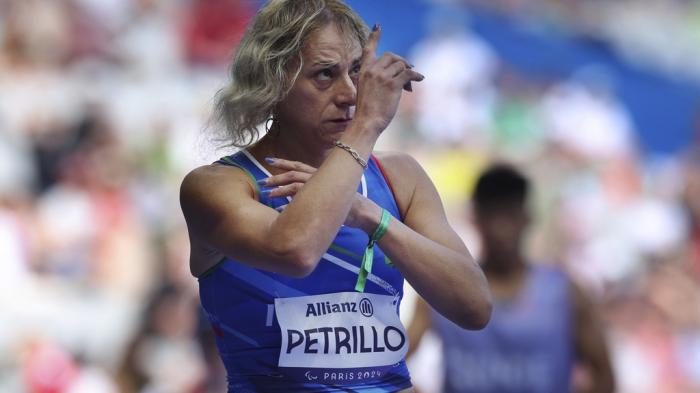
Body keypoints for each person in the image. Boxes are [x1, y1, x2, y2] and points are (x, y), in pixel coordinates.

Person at [179, 1, 492, 392]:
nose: (349, 94)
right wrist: (366, 127)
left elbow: (475, 306)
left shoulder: (399, 177)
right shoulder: (218, 185)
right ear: (273, 81)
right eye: (326, 74)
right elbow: (294, 251)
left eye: (357, 72)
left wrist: (370, 216)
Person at [407, 163, 615, 393]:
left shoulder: (565, 295)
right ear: (476, 218)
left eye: (510, 214)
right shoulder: (441, 291)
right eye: (493, 215)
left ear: (526, 218)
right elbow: (392, 362)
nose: (501, 228)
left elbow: (604, 374)